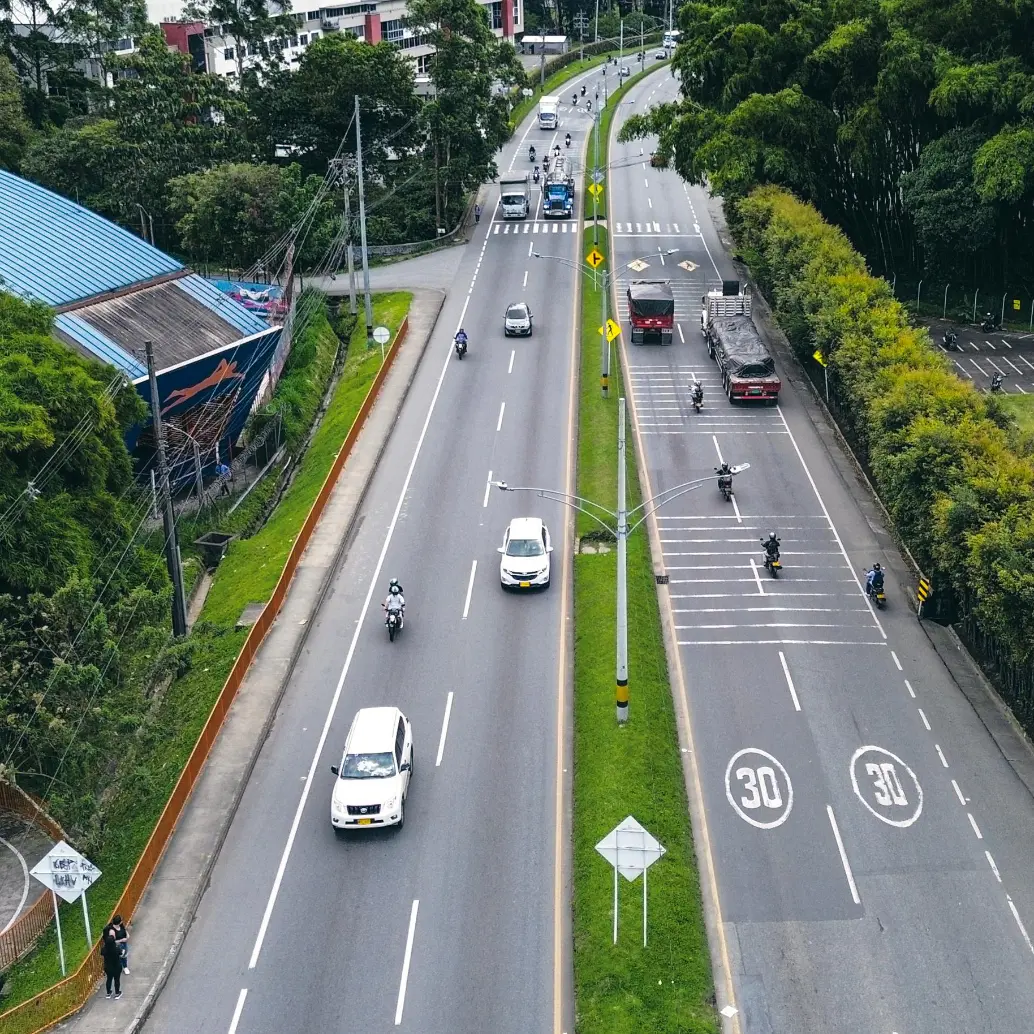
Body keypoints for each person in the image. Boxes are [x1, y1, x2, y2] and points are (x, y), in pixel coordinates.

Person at [101, 929, 122, 1000]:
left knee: (109, 979)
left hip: (108, 967)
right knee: (117, 980)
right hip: (117, 966)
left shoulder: (104, 949)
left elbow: (102, 954)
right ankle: (117, 993)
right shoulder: (116, 949)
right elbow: (121, 954)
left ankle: (108, 993)